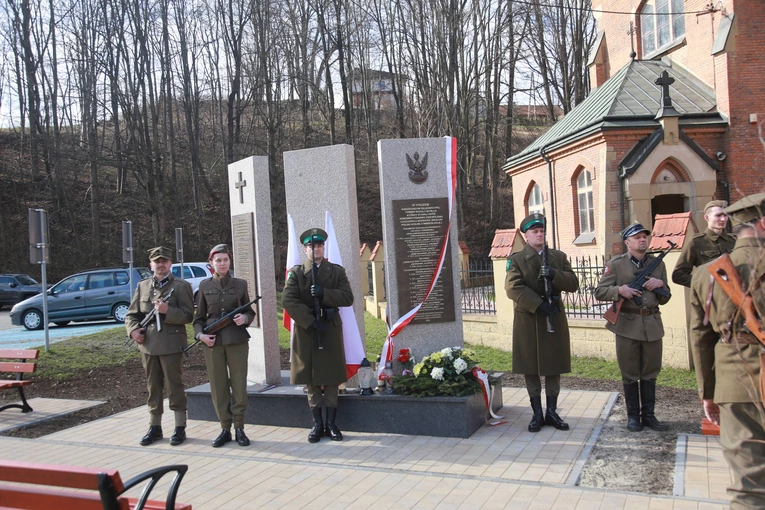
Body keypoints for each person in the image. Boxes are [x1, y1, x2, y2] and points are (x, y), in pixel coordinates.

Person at [689, 193, 765, 509]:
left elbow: (701, 338)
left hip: (736, 382)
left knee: (748, 486)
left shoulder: (706, 273)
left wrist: (708, 392)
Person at [504, 213, 579, 432]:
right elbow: (512, 288)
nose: (539, 234)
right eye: (534, 231)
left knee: (553, 365)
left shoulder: (558, 256)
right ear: (526, 235)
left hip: (553, 316)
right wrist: (538, 304)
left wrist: (554, 274)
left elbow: (573, 283)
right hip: (529, 319)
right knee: (531, 366)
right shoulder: (517, 259)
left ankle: (552, 412)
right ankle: (537, 413)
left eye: (542, 231)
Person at [595, 223, 672, 432]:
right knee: (630, 373)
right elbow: (600, 291)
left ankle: (649, 416)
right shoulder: (616, 264)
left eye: (644, 237)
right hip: (627, 326)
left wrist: (661, 286)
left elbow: (665, 298)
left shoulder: (658, 265)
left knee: (650, 372)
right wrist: (620, 290)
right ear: (627, 242)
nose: (642, 240)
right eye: (637, 237)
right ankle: (633, 417)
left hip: (653, 324)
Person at [282, 228, 354, 443]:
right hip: (307, 330)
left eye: (319, 245)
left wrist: (325, 294)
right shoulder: (296, 273)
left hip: (330, 328)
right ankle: (317, 425)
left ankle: (332, 424)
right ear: (305, 249)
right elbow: (288, 300)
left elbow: (348, 297)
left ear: (324, 247)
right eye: (311, 246)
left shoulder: (336, 271)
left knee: (331, 378)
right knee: (312, 380)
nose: (316, 249)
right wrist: (310, 319)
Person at [125, 246, 194, 446]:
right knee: (153, 387)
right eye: (157, 262)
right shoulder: (143, 286)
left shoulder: (181, 286)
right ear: (151, 264)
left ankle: (180, 427)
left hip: (172, 344)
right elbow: (132, 314)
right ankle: (154, 426)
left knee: (175, 386)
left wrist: (167, 311)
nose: (161, 265)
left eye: (164, 261)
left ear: (170, 263)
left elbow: (188, 316)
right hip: (148, 345)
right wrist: (133, 330)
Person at [193, 244, 256, 448]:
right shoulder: (204, 286)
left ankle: (239, 428)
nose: (222, 263)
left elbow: (251, 312)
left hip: (236, 340)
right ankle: (224, 428)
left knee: (238, 384)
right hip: (213, 343)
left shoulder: (240, 285)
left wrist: (244, 318)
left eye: (225, 260)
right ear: (211, 263)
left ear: (230, 262)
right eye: (218, 260)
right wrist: (200, 335)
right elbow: (198, 319)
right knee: (218, 386)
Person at [672, 200, 735, 287]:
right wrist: (704, 284)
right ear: (707, 218)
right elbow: (678, 275)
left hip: (735, 294)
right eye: (718, 215)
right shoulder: (696, 242)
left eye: (725, 215)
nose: (723, 219)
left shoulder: (735, 240)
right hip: (710, 296)